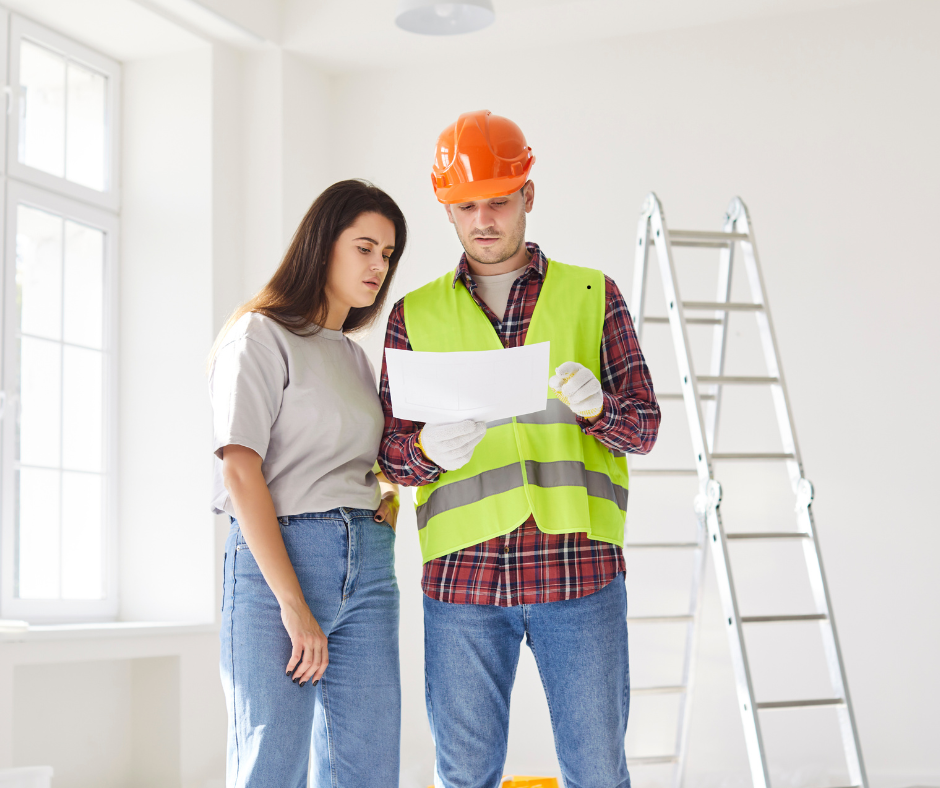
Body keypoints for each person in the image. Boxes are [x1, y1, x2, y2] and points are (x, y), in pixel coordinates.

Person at [378, 111, 661, 788]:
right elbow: (391, 456)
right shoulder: (412, 315)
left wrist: (600, 410)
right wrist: (427, 453)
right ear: (446, 208)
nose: (484, 220)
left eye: (499, 201)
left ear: (527, 196)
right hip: (463, 583)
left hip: (579, 574)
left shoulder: (593, 294)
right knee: (465, 774)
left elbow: (644, 427)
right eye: (466, 205)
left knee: (597, 771)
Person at [209, 179, 407, 788]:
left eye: (389, 255)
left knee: (370, 769)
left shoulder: (353, 355)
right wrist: (293, 604)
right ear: (323, 246)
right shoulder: (259, 335)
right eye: (365, 247)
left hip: (368, 568)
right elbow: (240, 469)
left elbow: (360, 459)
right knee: (273, 765)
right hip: (282, 565)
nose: (379, 266)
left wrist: (388, 502)